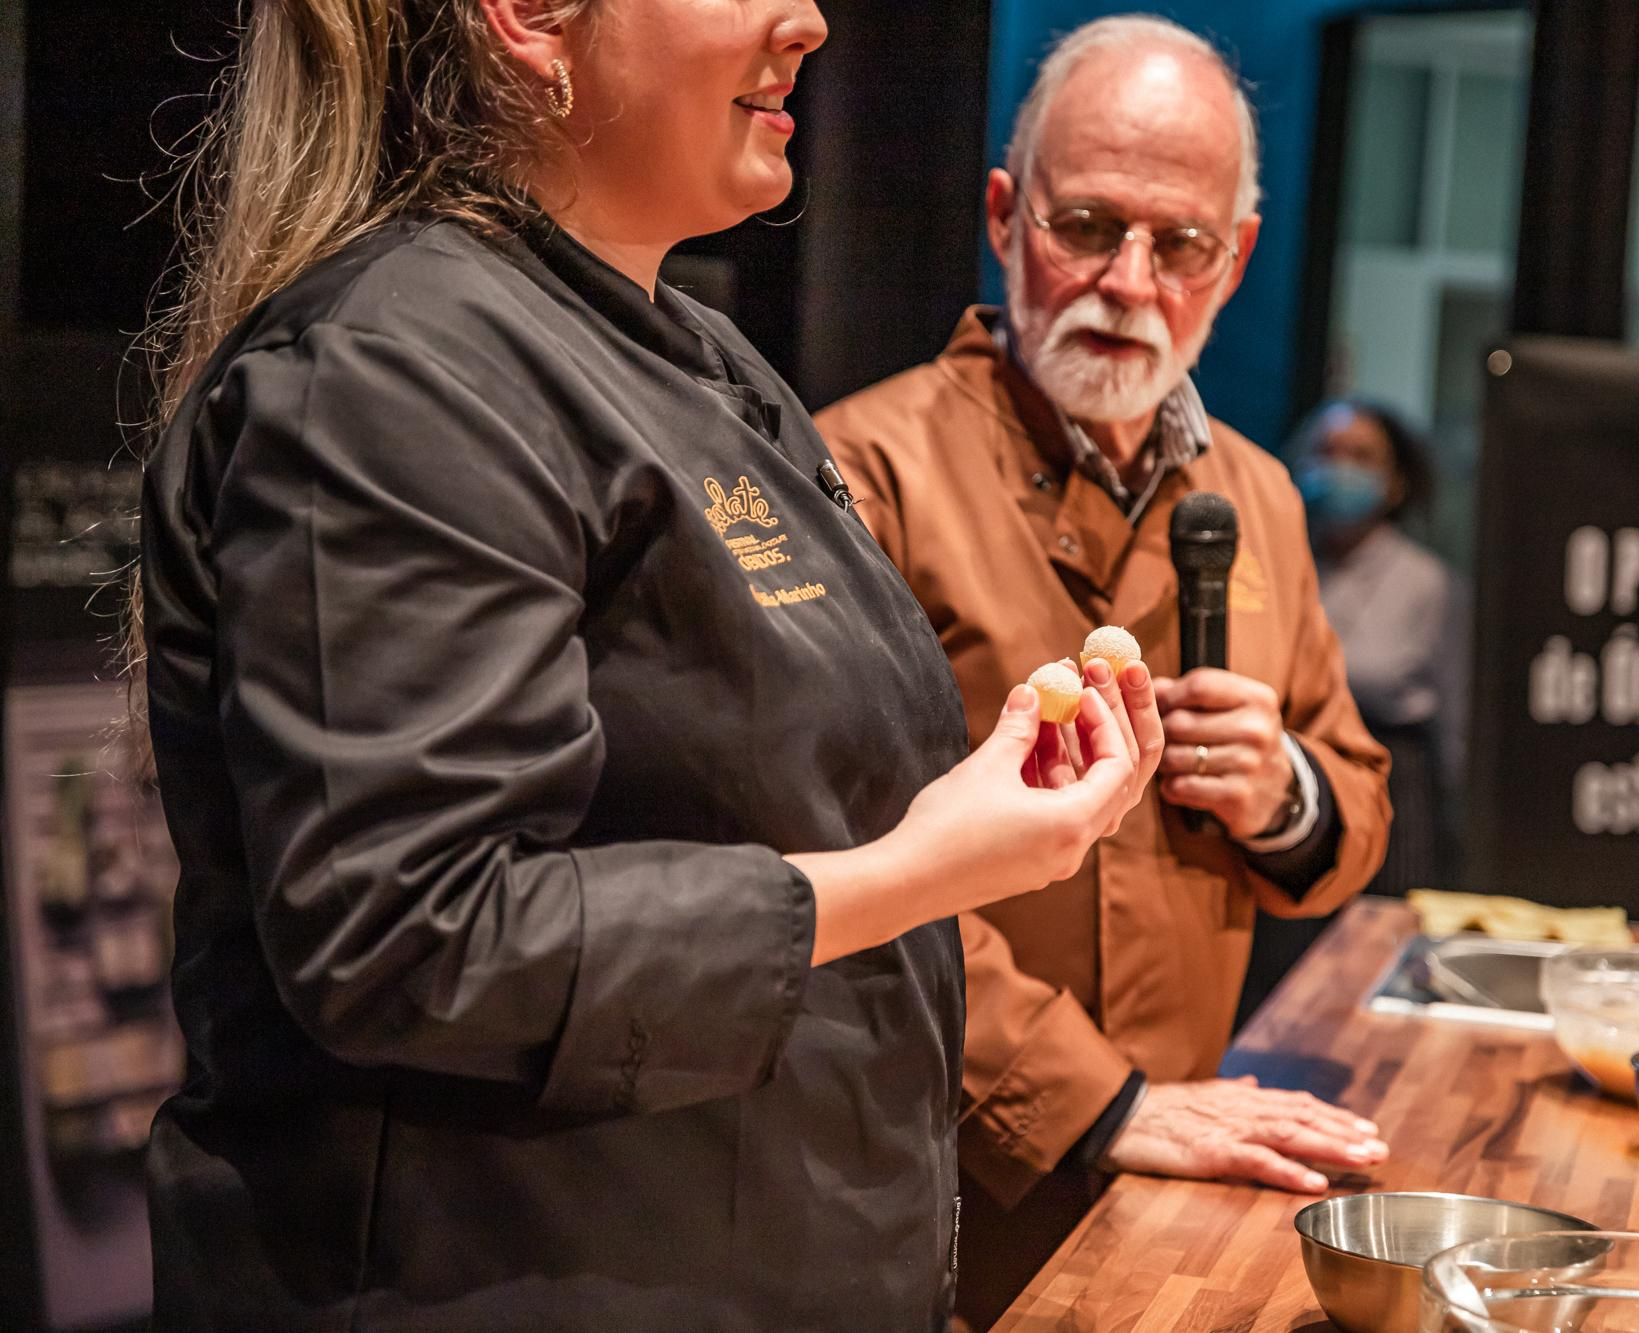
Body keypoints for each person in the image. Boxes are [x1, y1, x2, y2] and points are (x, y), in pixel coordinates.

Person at [131, 1, 1163, 1328]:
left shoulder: (698, 357)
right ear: (530, 17)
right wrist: (918, 869)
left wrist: (967, 807)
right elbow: (412, 935)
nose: (811, 20)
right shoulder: (394, 366)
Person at [814, 17, 1393, 1324]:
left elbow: (1354, 802)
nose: (1129, 281)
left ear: (1236, 260)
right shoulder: (858, 471)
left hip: (1182, 1175)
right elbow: (838, 878)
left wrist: (1286, 794)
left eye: (1180, 243)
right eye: (1087, 226)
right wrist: (1104, 1101)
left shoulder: (1258, 493)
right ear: (1006, 218)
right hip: (931, 1177)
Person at [1235, 400, 1470, 1021]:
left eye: (1360, 457)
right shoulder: (1268, 566)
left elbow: (1457, 724)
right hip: (1283, 776)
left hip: (1394, 787)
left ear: (1394, 482)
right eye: (1327, 452)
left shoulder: (1427, 583)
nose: (1339, 469)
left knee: (1369, 975)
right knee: (1279, 981)